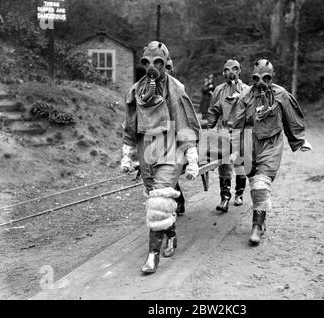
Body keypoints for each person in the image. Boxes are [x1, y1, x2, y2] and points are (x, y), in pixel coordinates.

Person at [122, 41, 201, 274]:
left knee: (158, 201)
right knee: (155, 200)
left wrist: (191, 155)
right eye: (147, 62)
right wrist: (128, 154)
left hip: (170, 147)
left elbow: (185, 121)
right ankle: (172, 235)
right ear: (143, 63)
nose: (152, 67)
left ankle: (152, 256)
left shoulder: (175, 87)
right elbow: (130, 125)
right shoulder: (136, 91)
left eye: (158, 62)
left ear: (166, 63)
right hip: (146, 147)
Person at [230, 59, 313, 245]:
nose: (261, 83)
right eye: (256, 78)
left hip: (271, 143)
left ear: (271, 77)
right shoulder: (245, 96)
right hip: (249, 142)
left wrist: (299, 140)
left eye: (266, 78)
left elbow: (292, 118)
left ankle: (256, 227)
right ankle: (262, 217)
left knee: (261, 184)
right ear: (252, 78)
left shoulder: (281, 94)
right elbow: (236, 124)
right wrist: (235, 149)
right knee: (254, 182)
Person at [206, 59, 249, 212]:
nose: (231, 72)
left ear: (240, 71)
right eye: (227, 69)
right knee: (224, 165)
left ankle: (239, 193)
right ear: (223, 72)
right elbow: (212, 110)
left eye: (235, 69)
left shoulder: (247, 90)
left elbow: (252, 112)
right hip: (223, 131)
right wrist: (209, 127)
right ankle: (225, 198)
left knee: (240, 164)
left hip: (241, 132)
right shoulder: (218, 90)